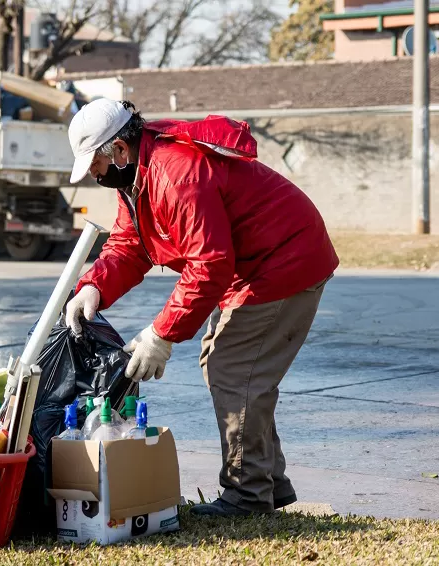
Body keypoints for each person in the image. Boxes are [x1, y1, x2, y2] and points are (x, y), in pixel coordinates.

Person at [63, 98, 339, 516]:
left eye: (95, 165)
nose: (95, 175)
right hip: (257, 261)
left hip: (284, 260)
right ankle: (267, 483)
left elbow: (209, 264)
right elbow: (131, 243)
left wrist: (161, 334)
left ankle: (247, 496)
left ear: (119, 149)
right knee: (227, 363)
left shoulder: (176, 174)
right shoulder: (138, 176)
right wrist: (93, 288)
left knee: (234, 367)